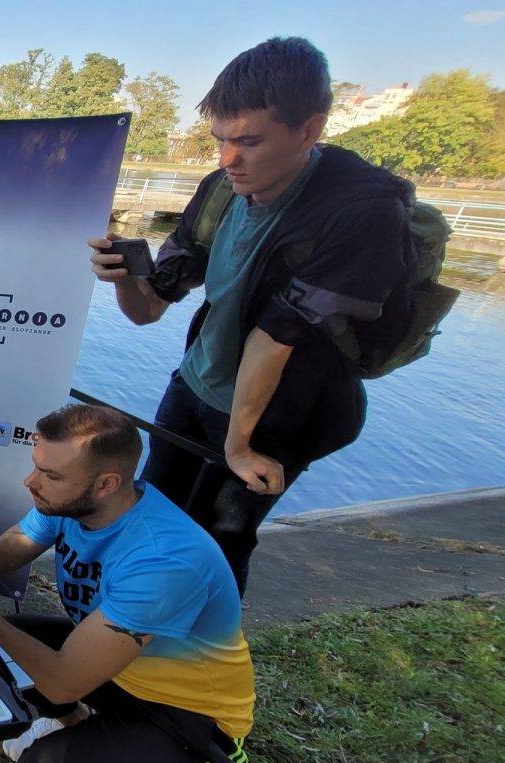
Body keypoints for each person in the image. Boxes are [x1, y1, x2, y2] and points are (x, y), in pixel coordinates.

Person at [87, 37, 413, 593]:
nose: (228, 160)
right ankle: (128, 640)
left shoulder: (363, 212)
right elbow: (150, 310)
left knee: (220, 541)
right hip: (196, 385)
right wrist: (125, 277)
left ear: (309, 130)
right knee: (150, 519)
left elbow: (276, 337)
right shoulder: (220, 190)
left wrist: (238, 447)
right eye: (220, 140)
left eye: (249, 142)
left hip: (283, 410)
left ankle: (202, 663)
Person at [0, 404, 254, 763]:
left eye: (50, 476)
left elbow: (60, 682)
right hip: (117, 665)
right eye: (37, 467)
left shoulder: (164, 561)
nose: (30, 482)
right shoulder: (73, 503)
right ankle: (81, 722)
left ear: (106, 483)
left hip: (184, 711)